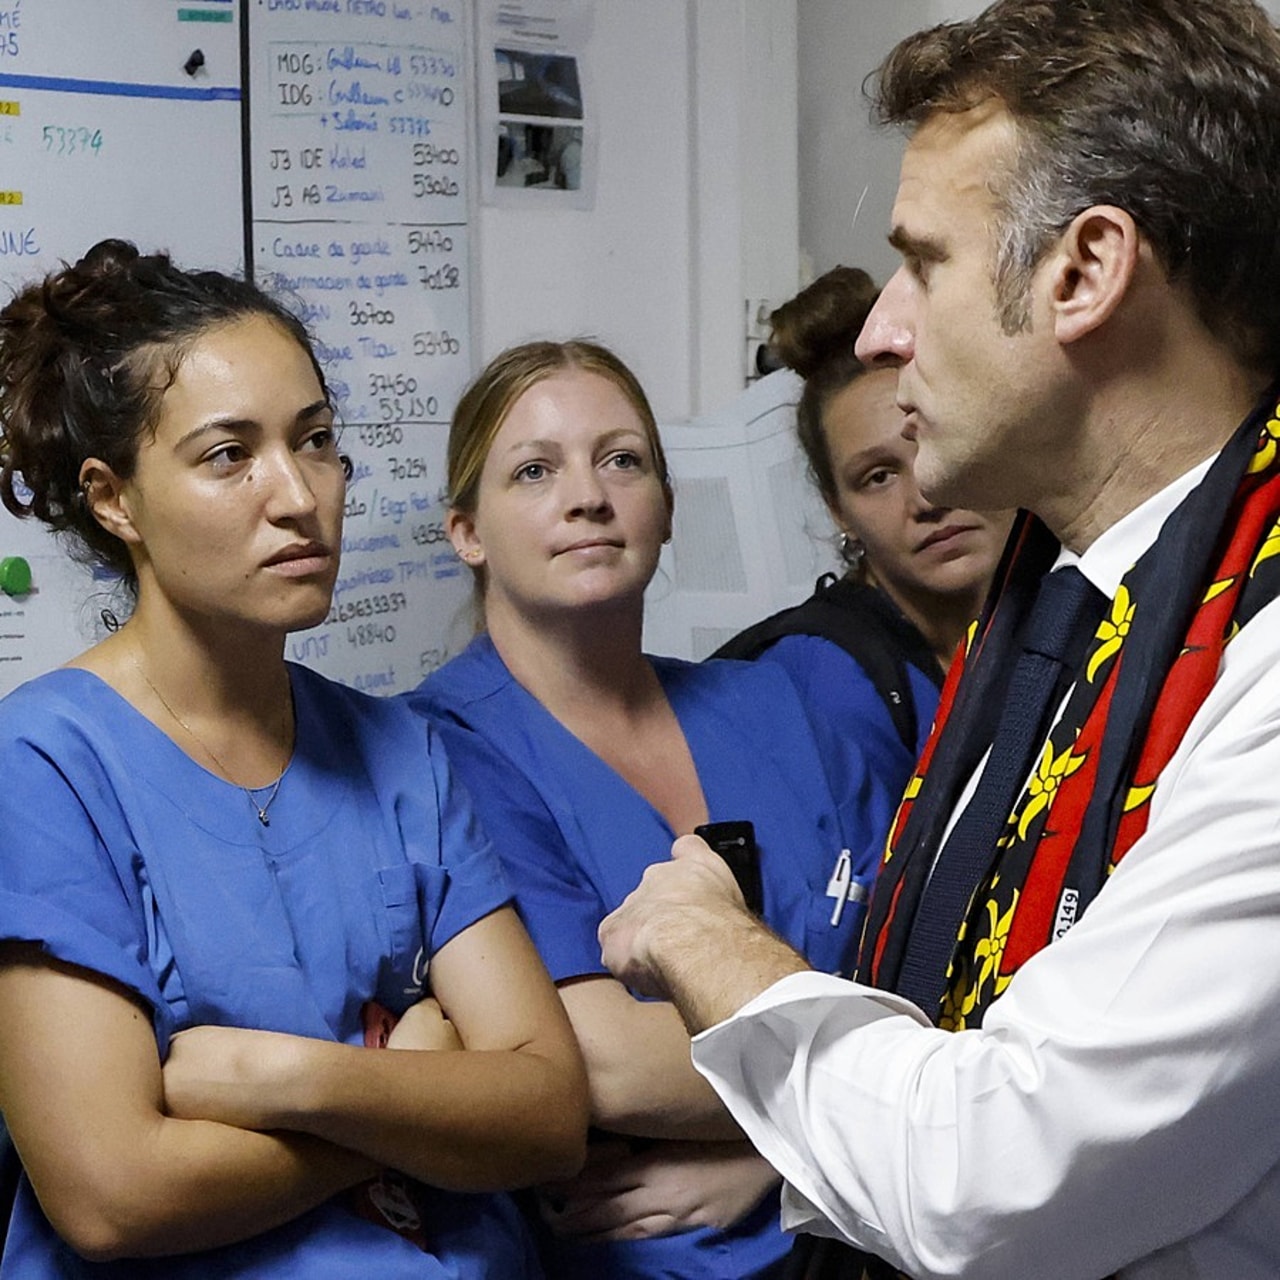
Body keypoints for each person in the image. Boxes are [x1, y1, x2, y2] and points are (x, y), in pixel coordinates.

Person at [597, 1, 1280, 1276]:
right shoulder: (1054, 601)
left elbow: (989, 1173)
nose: (879, 330)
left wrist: (710, 942)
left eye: (923, 262)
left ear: (1084, 271)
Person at [0, 240, 588, 1278]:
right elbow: (112, 1193)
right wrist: (409, 1090)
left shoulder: (401, 751)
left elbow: (546, 1115)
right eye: (229, 455)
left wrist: (286, 1080)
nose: (299, 495)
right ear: (114, 498)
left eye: (314, 441)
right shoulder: (44, 765)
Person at [407, 340, 891, 1279]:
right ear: (467, 532)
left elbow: (943, 959)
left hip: (875, 1227)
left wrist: (782, 1161)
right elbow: (602, 1061)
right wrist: (878, 1087)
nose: (587, 496)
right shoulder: (440, 755)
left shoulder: (782, 702)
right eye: (535, 471)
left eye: (621, 460)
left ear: (666, 507)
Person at [715, 266, 1010, 784]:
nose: (926, 497)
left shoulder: (1075, 608)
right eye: (878, 477)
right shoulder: (827, 680)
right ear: (838, 510)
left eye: (938, 444)